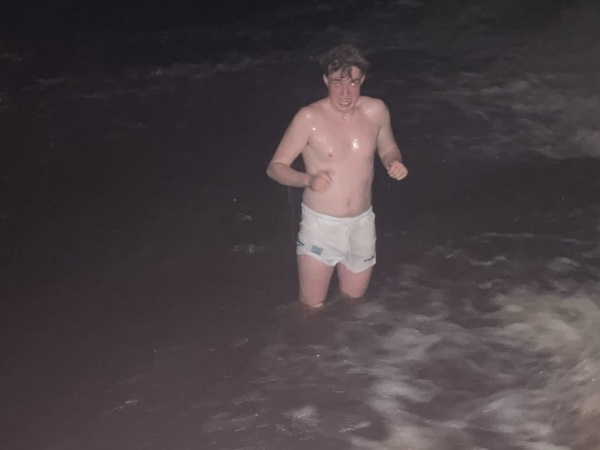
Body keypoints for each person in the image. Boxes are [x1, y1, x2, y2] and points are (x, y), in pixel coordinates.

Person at [266, 44, 408, 309]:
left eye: (352, 83)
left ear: (361, 80)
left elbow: (388, 148)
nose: (345, 93)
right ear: (325, 81)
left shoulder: (376, 111)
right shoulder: (309, 118)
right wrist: (307, 180)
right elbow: (275, 167)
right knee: (311, 307)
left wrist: (394, 162)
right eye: (337, 83)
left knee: (353, 305)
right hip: (321, 226)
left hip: (362, 224)